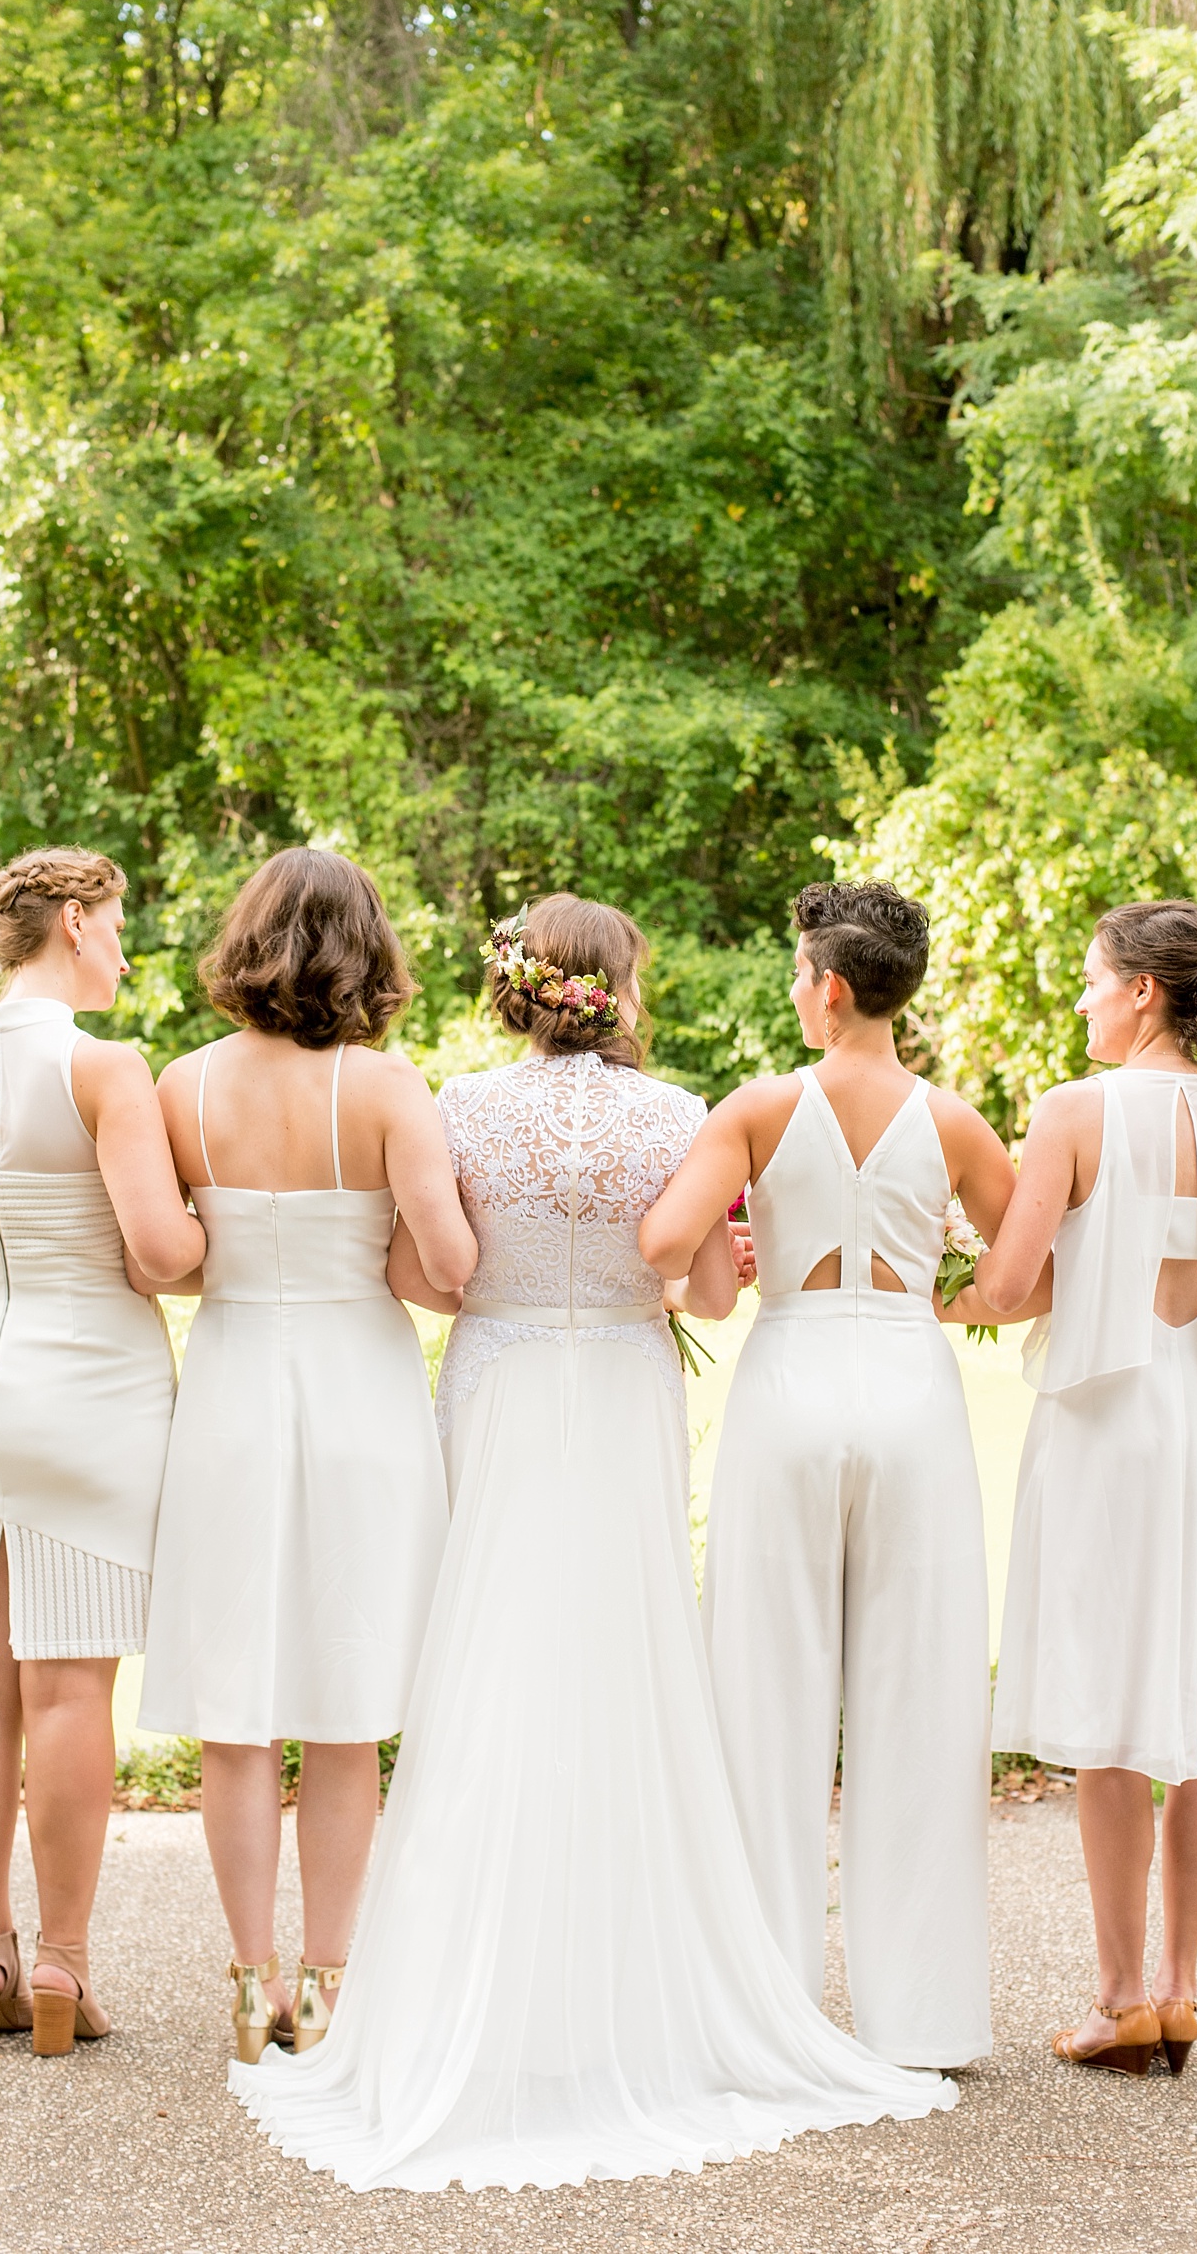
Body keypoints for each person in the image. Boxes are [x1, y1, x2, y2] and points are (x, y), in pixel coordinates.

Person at [226, 893, 956, 2193]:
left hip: (502, 1380)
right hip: (623, 1391)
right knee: (629, 1660)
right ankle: (626, 1984)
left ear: (521, 988)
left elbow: (424, 1273)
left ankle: (481, 1986)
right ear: (617, 988)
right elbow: (715, 1289)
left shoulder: (457, 1108)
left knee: (490, 1654)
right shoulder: (680, 1115)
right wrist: (707, 1264)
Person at [643, 880, 1035, 2073]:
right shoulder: (956, 1122)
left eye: (799, 976)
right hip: (910, 1389)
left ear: (832, 986)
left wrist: (733, 1243)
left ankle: (764, 2008)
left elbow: (665, 1242)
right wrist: (940, 1295)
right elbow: (1024, 1279)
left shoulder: (760, 1107)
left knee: (766, 1693)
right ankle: (921, 2020)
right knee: (918, 1700)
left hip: (791, 1383)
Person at [957, 899, 1197, 2078]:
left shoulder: (1073, 1113)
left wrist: (908, 1288)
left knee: (1112, 1723)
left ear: (1140, 993)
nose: (1078, 1000)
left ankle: (1116, 1998)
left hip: (1106, 1436)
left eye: (1087, 979)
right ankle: (1178, 1991)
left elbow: (1007, 1288)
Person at [135, 849, 476, 2061]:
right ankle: (326, 1989)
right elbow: (447, 1269)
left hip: (231, 1392)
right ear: (366, 950)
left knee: (238, 1711)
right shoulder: (389, 1092)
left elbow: (154, 1256)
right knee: (344, 1706)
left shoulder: (180, 1088)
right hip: (359, 1403)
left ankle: (247, 1983)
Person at [0, 847, 205, 2054]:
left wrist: (10, 1267)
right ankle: (62, 1966)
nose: (124, 948)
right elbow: (162, 1252)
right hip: (93, 1398)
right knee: (69, 1685)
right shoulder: (107, 1069)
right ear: (72, 923)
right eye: (116, 926)